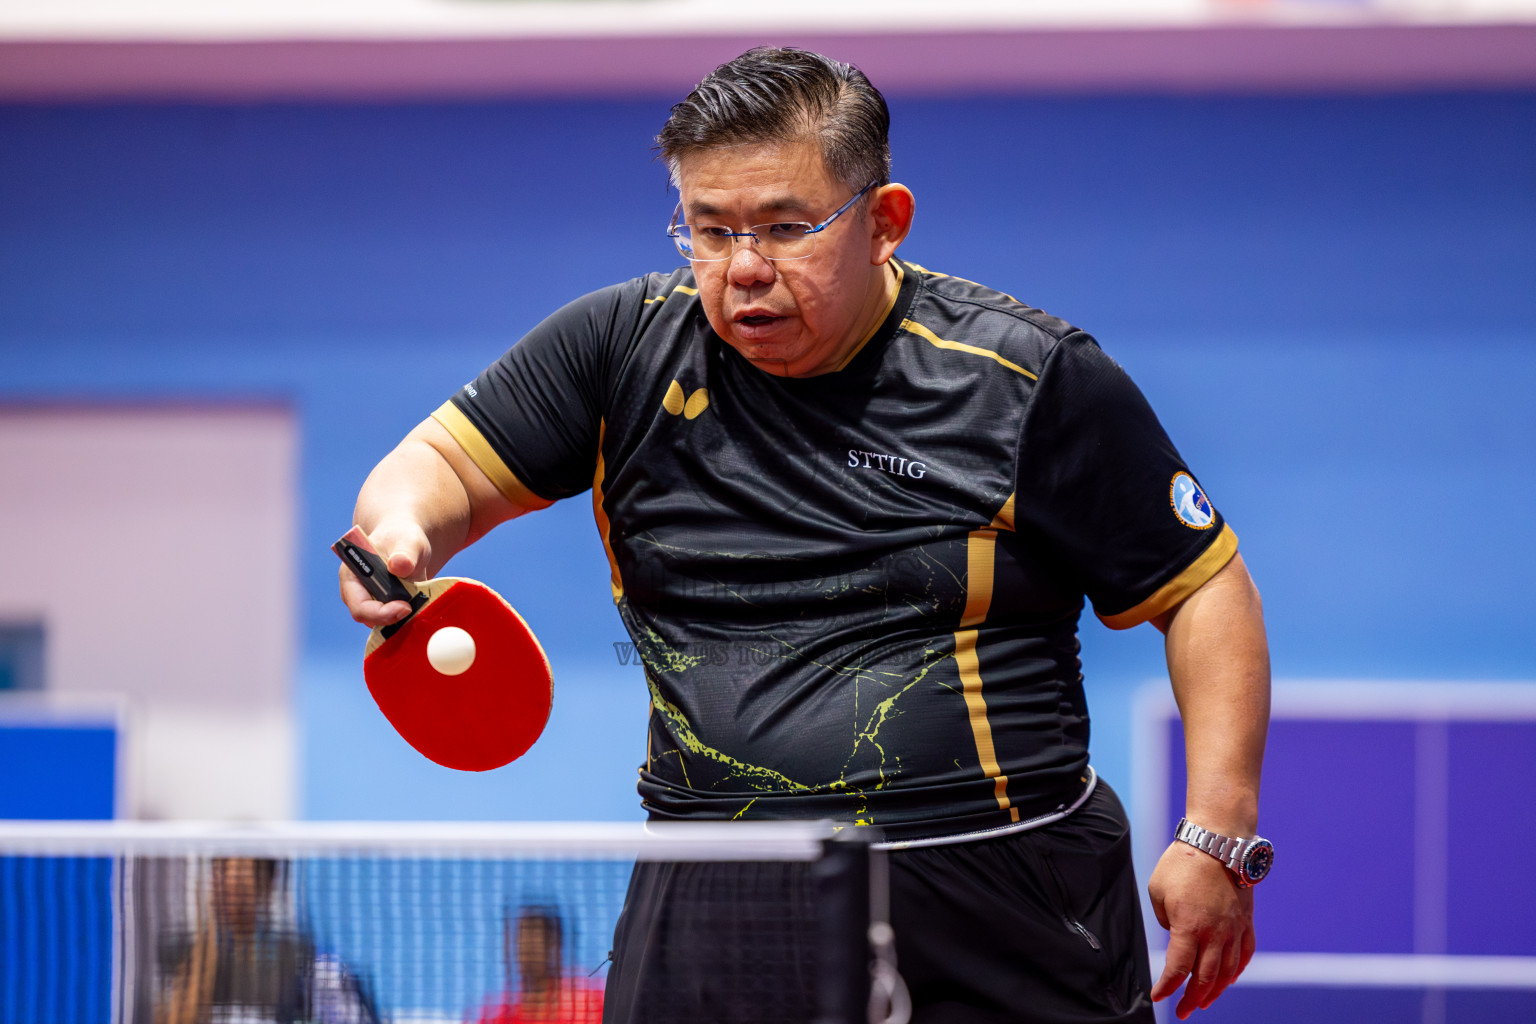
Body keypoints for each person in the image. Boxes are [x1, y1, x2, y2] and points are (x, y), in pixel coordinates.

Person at [339, 47, 1271, 1023]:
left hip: (994, 881)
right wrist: (400, 531)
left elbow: (1203, 588)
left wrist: (1218, 831)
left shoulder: (1025, 378)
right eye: (709, 229)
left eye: (786, 227)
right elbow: (434, 468)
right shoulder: (620, 350)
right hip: (712, 885)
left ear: (884, 221)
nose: (744, 268)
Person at [470, 905, 604, 1024]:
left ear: (556, 945)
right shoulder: (495, 1014)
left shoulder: (589, 1004)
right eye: (520, 939)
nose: (526, 950)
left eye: (534, 940)